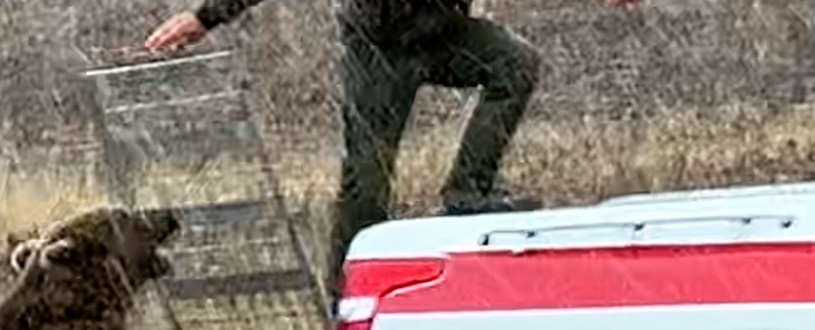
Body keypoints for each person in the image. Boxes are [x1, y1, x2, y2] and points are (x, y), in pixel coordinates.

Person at [145, 0, 543, 307]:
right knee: (367, 178)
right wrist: (207, 16)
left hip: (442, 33)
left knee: (515, 63)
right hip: (379, 46)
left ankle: (467, 192)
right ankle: (345, 296)